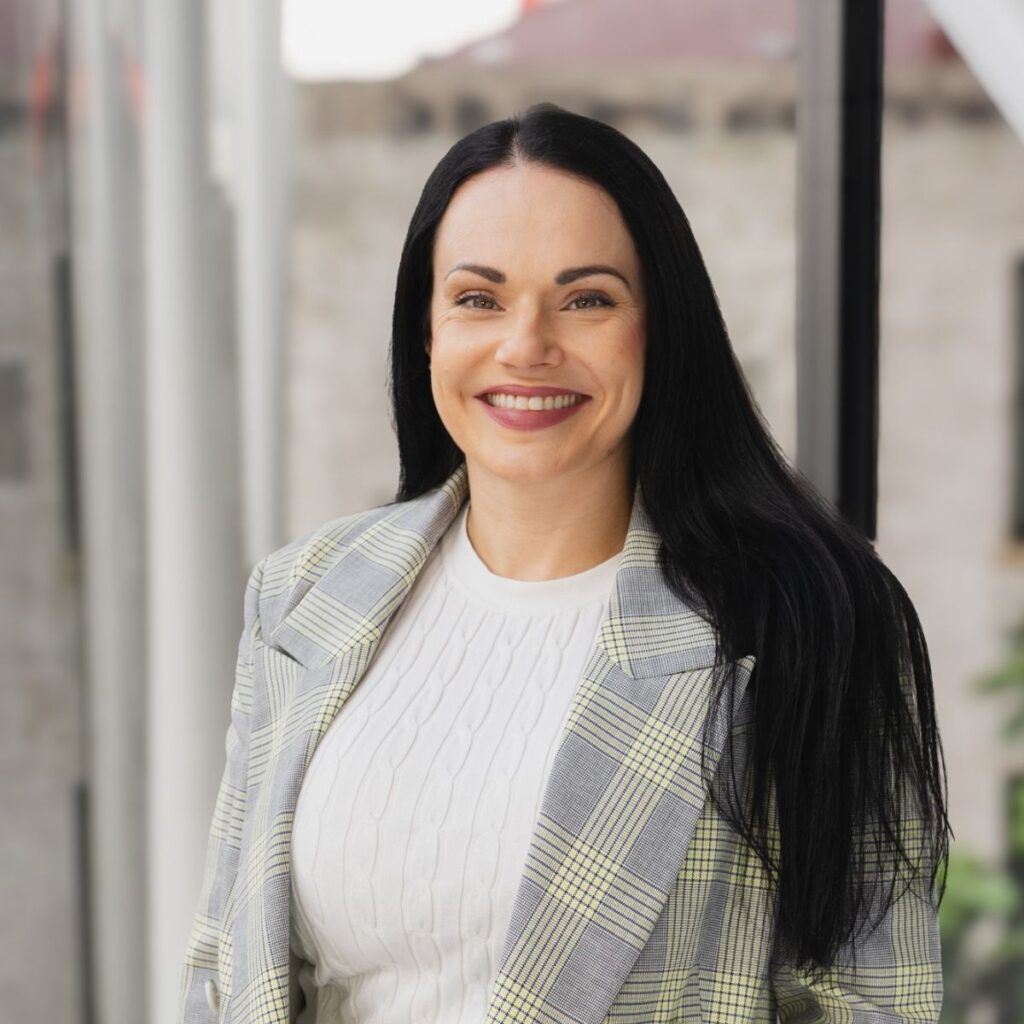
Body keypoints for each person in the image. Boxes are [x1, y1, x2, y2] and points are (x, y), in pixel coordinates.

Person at [177, 102, 950, 1024]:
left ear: (659, 329)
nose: (525, 346)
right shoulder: (302, 596)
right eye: (478, 298)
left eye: (587, 299)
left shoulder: (806, 618)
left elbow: (872, 1002)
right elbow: (223, 967)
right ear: (427, 332)